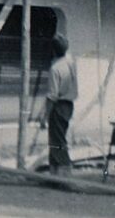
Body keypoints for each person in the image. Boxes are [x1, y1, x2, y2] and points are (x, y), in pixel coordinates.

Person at [39, 33, 78, 177]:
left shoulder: (55, 69)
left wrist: (44, 116)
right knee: (55, 140)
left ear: (53, 51)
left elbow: (52, 95)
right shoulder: (71, 63)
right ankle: (55, 175)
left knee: (58, 141)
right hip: (69, 105)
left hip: (59, 106)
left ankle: (65, 176)